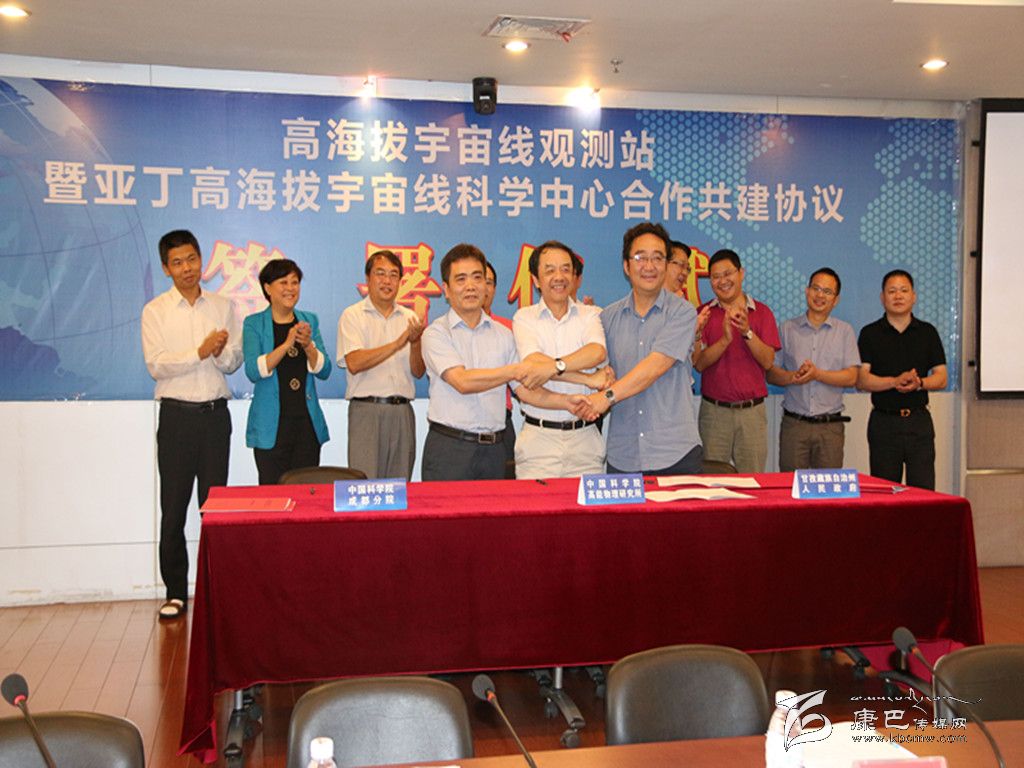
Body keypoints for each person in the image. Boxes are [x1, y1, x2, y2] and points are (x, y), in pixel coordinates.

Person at [141, 229, 242, 620]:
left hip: (215, 417)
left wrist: (219, 352)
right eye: (178, 262)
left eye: (192, 259)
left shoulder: (222, 306)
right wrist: (198, 352)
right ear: (166, 268)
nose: (187, 268)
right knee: (174, 507)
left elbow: (232, 362)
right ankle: (175, 592)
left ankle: (215, 589)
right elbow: (156, 365)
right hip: (177, 418)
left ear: (202, 260)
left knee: (214, 509)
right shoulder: (156, 311)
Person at [421, 244, 575, 481]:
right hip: (450, 449)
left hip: (495, 450)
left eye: (477, 277)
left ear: (486, 286)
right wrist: (514, 370)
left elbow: (525, 390)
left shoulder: (504, 334)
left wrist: (568, 402)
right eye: (461, 279)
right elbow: (462, 381)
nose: (470, 286)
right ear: (446, 290)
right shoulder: (436, 333)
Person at [577, 222, 703, 475]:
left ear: (666, 265)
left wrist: (605, 397)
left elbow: (655, 366)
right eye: (640, 257)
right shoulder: (607, 318)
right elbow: (598, 371)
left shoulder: (682, 313)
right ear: (626, 266)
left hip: (675, 452)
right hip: (624, 454)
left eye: (657, 258)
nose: (649, 266)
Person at [512, 240, 609, 478]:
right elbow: (533, 365)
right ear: (535, 280)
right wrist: (587, 379)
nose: (559, 276)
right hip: (539, 440)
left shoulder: (591, 314)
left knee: (586, 504)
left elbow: (596, 352)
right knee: (535, 503)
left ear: (574, 276)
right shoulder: (524, 318)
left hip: (585, 439)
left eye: (566, 269)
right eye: (550, 270)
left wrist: (553, 367)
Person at [337, 250, 424, 479]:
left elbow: (418, 371)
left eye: (394, 275)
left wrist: (415, 343)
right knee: (365, 485)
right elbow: (354, 362)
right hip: (367, 411)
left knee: (399, 486)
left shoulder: (410, 317)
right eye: (381, 274)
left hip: (402, 412)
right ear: (368, 278)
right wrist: (397, 343)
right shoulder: (353, 315)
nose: (387, 281)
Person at [857, 269, 947, 489]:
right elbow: (862, 381)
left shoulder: (928, 332)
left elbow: (942, 377)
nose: (898, 296)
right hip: (884, 423)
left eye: (904, 290)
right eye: (892, 291)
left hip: (919, 422)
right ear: (882, 297)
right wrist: (894, 382)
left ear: (913, 296)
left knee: (923, 492)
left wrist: (920, 383)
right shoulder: (870, 333)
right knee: (886, 493)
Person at [243, 258, 331, 484]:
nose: (290, 288)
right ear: (267, 288)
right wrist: (287, 344)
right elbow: (253, 370)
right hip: (271, 428)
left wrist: (308, 345)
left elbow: (325, 370)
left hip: (306, 426)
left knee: (305, 496)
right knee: (272, 496)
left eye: (295, 282)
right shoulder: (254, 323)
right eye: (283, 282)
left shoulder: (309, 321)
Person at [694, 249, 780, 473]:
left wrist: (746, 332)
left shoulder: (762, 312)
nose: (722, 281)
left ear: (741, 273)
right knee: (712, 481)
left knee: (753, 480)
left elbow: (768, 361)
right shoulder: (703, 314)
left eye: (727, 274)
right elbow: (699, 364)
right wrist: (724, 340)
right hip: (714, 413)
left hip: (752, 413)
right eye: (715, 276)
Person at [767, 268, 860, 471]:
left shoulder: (845, 331)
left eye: (827, 291)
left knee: (829, 489)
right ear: (807, 291)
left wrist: (818, 374)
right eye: (816, 288)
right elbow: (770, 372)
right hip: (795, 425)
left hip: (830, 427)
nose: (820, 295)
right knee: (790, 485)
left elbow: (852, 377)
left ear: (836, 300)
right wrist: (793, 377)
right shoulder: (787, 328)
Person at [482, 259, 516, 478]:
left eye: (488, 282)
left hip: (502, 423)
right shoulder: (444, 331)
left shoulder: (509, 328)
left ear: (494, 288)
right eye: (478, 280)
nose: (483, 288)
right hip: (460, 429)